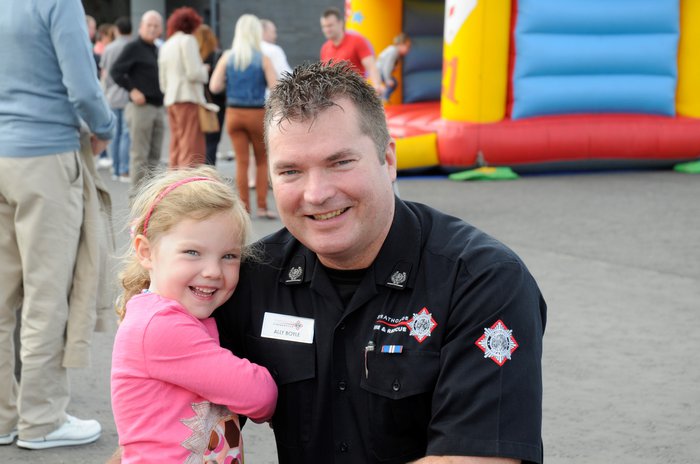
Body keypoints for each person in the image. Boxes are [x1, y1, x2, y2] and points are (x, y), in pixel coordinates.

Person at [214, 61, 546, 463]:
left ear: (388, 160)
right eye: (291, 171)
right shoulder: (253, 277)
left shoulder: (482, 280)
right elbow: (177, 426)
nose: (316, 193)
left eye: (340, 162)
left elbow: (476, 457)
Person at [0, 0, 116, 449]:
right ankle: (42, 419)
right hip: (45, 154)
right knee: (47, 294)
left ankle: (5, 416)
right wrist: (103, 126)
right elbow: (83, 86)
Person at [111, 166, 277, 462]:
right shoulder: (162, 327)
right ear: (146, 252)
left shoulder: (167, 315)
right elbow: (258, 396)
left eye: (229, 256)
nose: (213, 271)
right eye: (192, 252)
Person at [209, 14, 277, 219]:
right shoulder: (263, 58)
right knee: (262, 160)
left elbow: (214, 86)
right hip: (257, 113)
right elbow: (275, 87)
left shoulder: (228, 57)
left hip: (234, 113)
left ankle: (244, 207)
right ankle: (263, 206)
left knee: (241, 161)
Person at [111, 10, 165, 196]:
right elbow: (116, 71)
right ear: (141, 27)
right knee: (140, 157)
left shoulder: (157, 48)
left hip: (158, 107)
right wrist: (132, 90)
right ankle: (136, 201)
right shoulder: (133, 47)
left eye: (156, 26)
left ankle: (150, 199)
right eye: (149, 25)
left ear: (161, 29)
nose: (152, 29)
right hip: (141, 108)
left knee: (155, 157)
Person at [159, 7, 210, 168]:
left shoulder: (166, 45)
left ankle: (172, 183)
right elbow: (194, 73)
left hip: (171, 99)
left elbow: (162, 79)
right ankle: (185, 185)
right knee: (190, 145)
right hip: (187, 98)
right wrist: (205, 70)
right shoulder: (188, 40)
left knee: (176, 144)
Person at [319, 7, 382, 94]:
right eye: (324, 26)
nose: (327, 30)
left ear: (340, 23)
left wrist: (377, 85)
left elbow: (371, 66)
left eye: (330, 25)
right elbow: (324, 75)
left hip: (356, 95)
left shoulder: (357, 40)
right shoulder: (325, 48)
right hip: (334, 96)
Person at [101, 16, 133, 183]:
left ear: (117, 30)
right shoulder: (132, 46)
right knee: (126, 134)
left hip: (112, 95)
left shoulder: (109, 48)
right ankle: (124, 169)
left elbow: (104, 74)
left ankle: (115, 166)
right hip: (128, 95)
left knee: (115, 133)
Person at [194, 24, 226, 166]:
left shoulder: (194, 57)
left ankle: (198, 171)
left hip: (197, 103)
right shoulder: (218, 56)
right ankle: (209, 171)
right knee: (212, 141)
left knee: (197, 141)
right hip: (216, 104)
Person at [376, 33, 411, 103]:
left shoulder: (395, 52)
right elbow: (387, 66)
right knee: (393, 82)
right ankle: (384, 97)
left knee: (392, 83)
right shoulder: (393, 51)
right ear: (400, 44)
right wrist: (388, 79)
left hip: (379, 71)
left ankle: (381, 97)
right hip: (378, 71)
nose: (408, 50)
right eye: (407, 47)